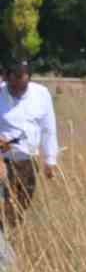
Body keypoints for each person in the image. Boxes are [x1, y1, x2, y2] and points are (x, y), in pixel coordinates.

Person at [0, 58, 60, 226]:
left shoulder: (41, 94)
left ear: (29, 78)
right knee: (3, 210)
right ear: (5, 78)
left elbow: (48, 128)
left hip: (28, 162)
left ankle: (8, 243)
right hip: (3, 163)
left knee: (17, 212)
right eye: (13, 86)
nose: (18, 90)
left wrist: (50, 159)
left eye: (22, 85)